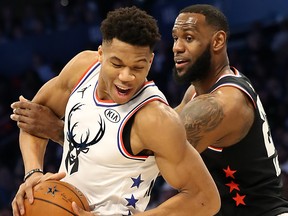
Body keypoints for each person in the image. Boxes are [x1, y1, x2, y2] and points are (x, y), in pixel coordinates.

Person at [11, 3, 288, 216]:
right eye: (176, 37)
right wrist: (33, 174)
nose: (178, 47)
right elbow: (32, 118)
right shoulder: (197, 92)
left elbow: (146, 154)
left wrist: (58, 130)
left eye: (189, 38)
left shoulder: (219, 105)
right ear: (99, 54)